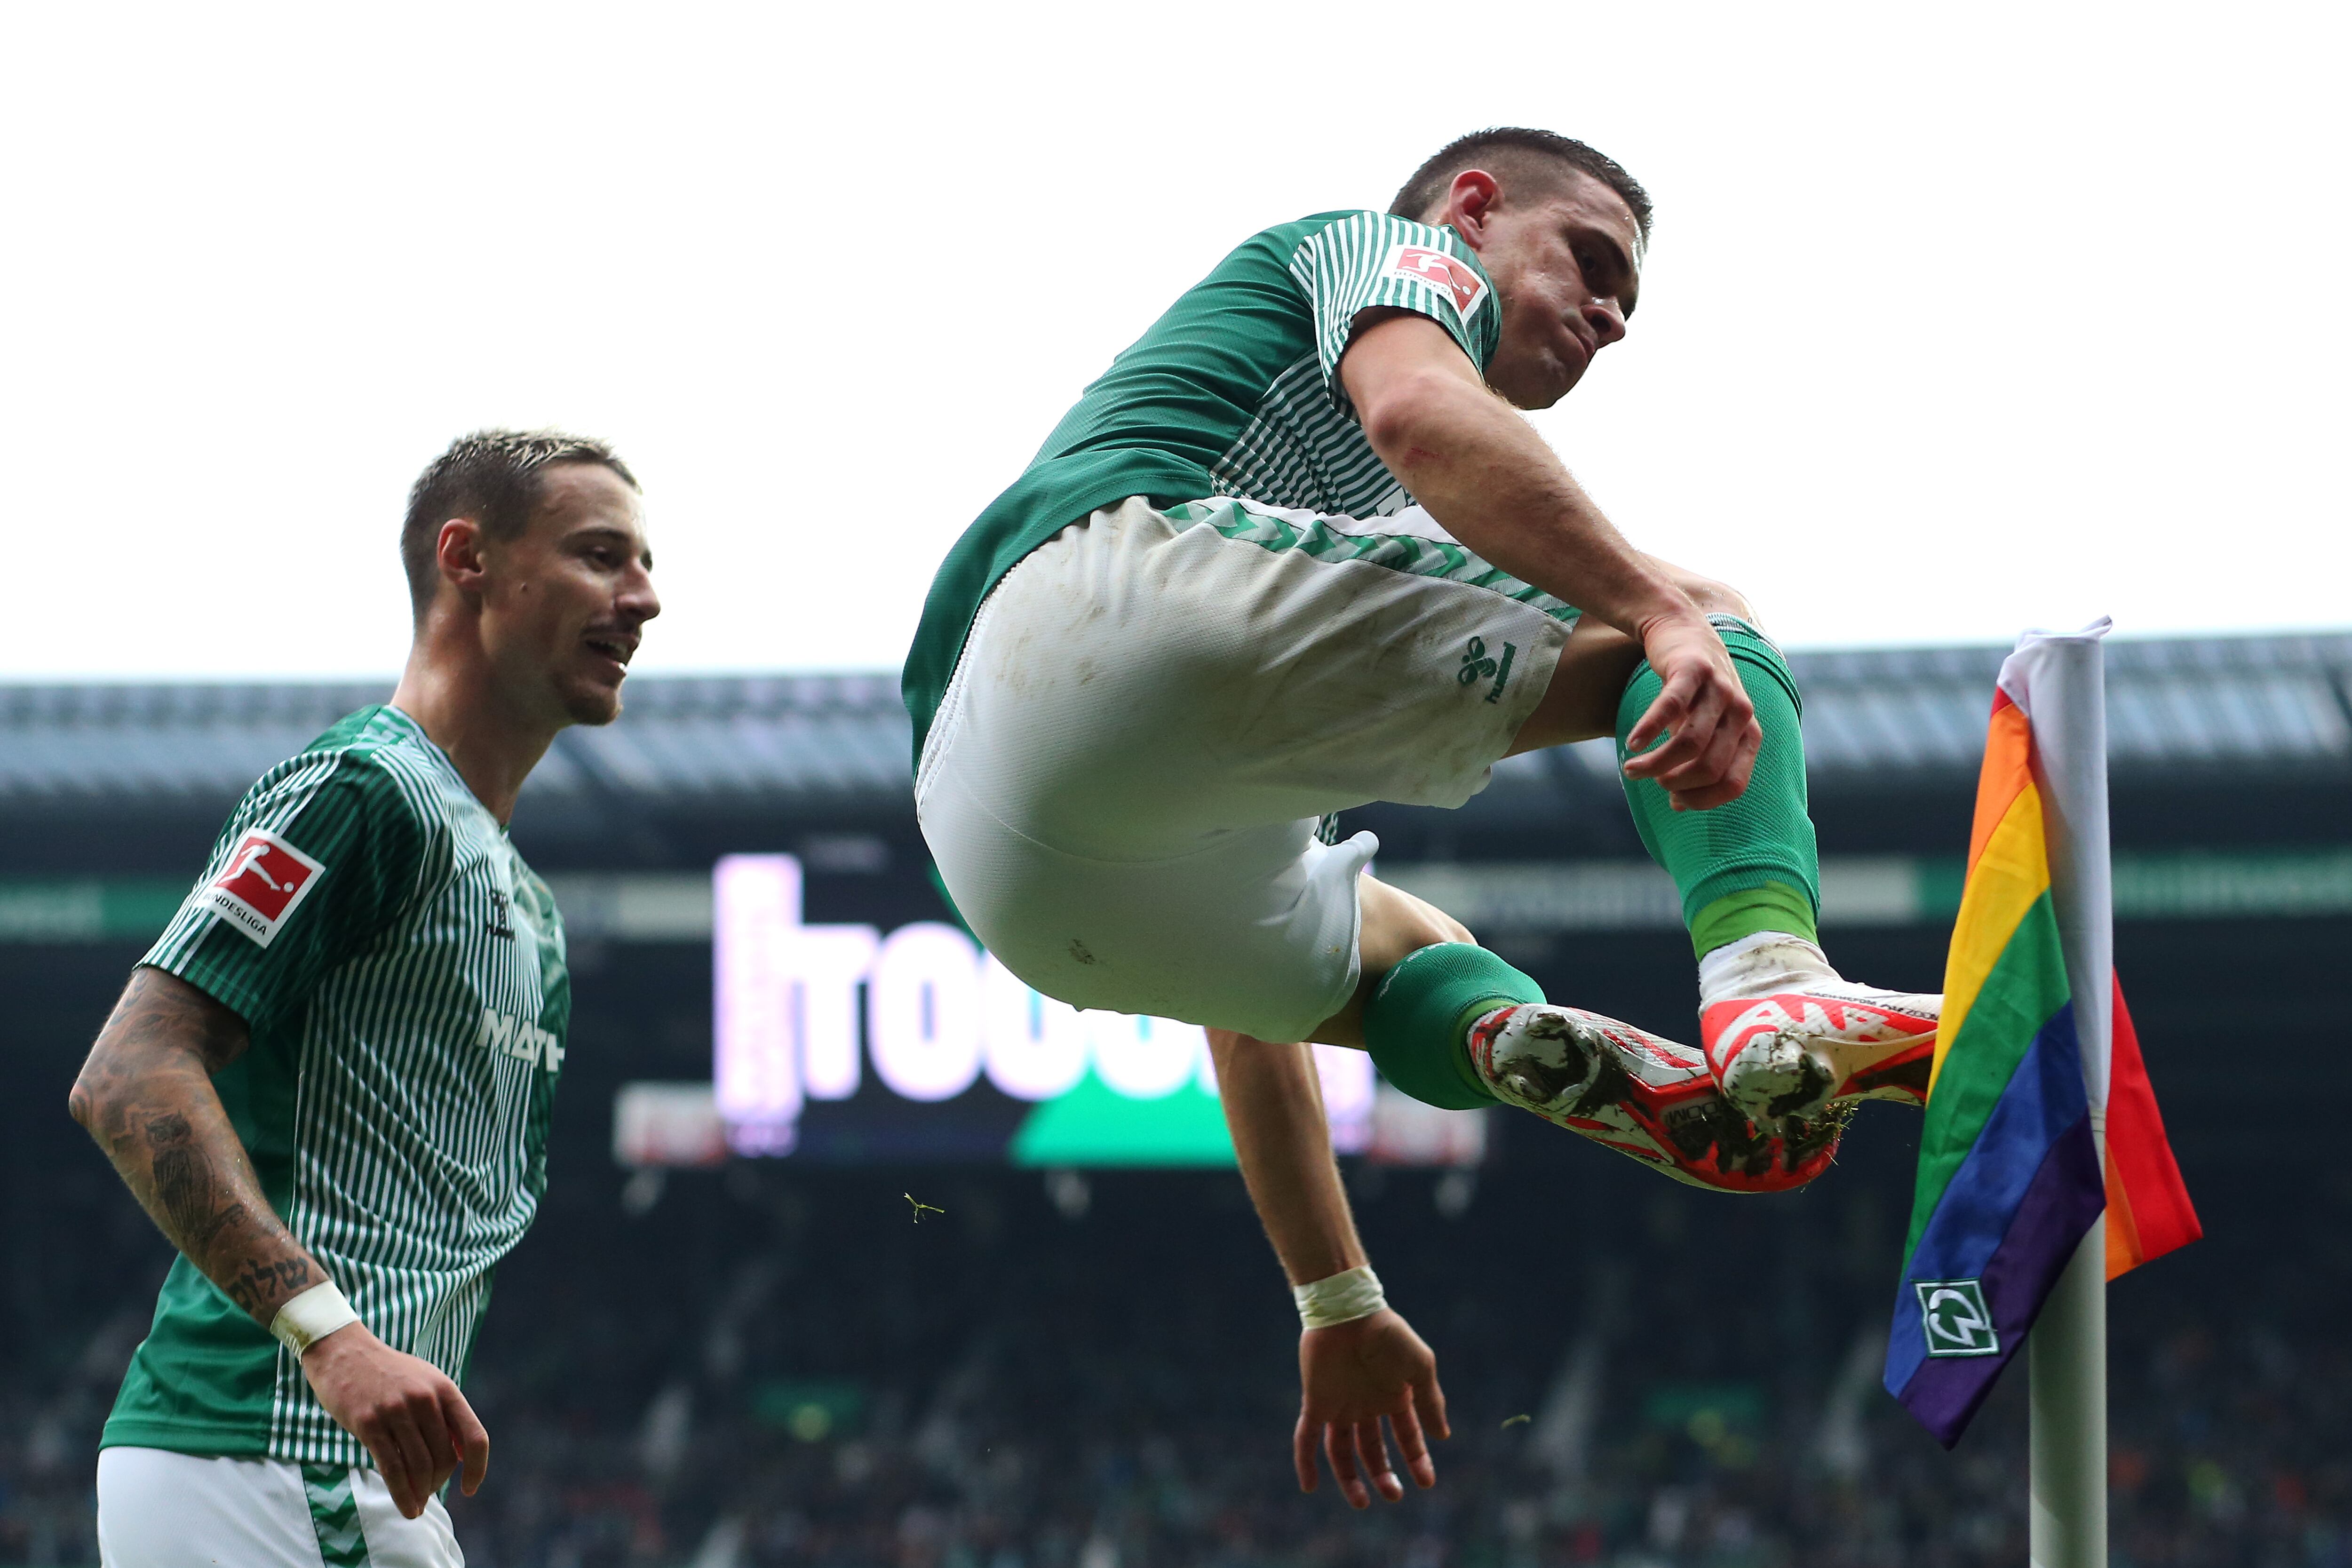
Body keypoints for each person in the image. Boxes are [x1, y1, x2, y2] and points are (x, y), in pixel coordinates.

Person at [903, 128, 1941, 1505]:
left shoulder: (1314, 567)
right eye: (1590, 262)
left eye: (1625, 309)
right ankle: (1771, 978)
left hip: (1019, 875)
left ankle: (1522, 1040)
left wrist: (1335, 1298)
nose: (1609, 318)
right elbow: (1416, 414)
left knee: (1382, 947)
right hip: (1112, 583)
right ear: (1472, 206)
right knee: (1705, 629)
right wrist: (1663, 607)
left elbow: (1251, 1021)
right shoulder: (1376, 251)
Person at [70, 430, 660, 1567]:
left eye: (641, 563)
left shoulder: (527, 906)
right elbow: (129, 1069)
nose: (643, 597)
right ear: (467, 560)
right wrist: (331, 1338)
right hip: (271, 1450)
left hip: (327, 1468)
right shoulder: (365, 791)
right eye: (601, 555)